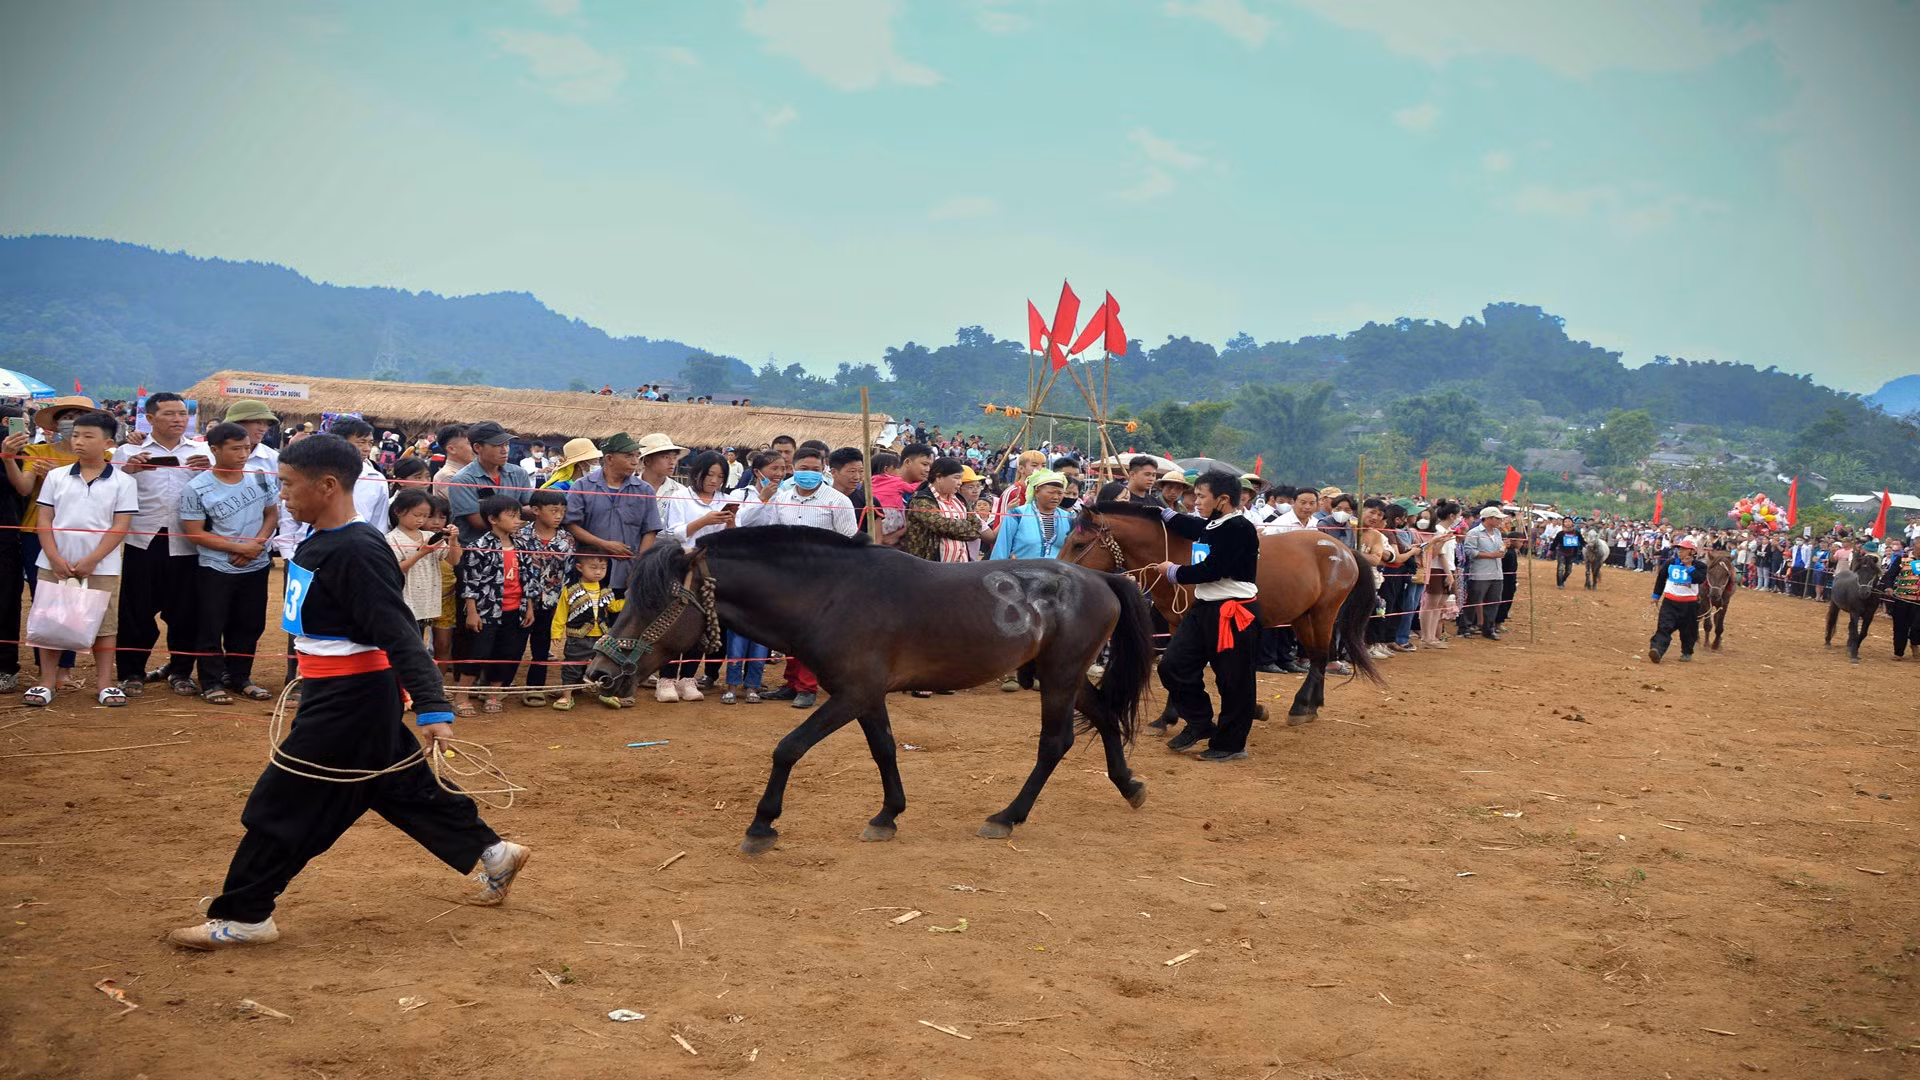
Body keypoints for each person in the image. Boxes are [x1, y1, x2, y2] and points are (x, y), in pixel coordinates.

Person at [169, 433, 529, 950]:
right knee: (394, 785)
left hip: (349, 699)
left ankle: (246, 914)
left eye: (290, 485)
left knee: (283, 801)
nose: (284, 495)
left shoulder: (358, 550)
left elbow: (399, 631)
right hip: (337, 691)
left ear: (329, 485)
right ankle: (494, 853)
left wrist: (431, 706)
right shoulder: (321, 541)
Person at [22, 411, 139, 708]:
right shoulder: (56, 476)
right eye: (75, 435)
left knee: (104, 625)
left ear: (109, 443)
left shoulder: (123, 482)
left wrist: (93, 559)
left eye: (88, 436)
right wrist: (53, 556)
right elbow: (44, 519)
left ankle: (104, 684)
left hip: (103, 565)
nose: (79, 442)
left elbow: (120, 526)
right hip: (53, 563)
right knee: (51, 623)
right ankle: (46, 681)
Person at [1152, 470, 1261, 762]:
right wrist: (1161, 513)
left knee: (1233, 680)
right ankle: (1200, 723)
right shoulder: (1214, 523)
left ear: (1223, 499)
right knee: (1172, 665)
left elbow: (1213, 570)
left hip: (1233, 611)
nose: (1195, 500)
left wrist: (1171, 571)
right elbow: (1194, 527)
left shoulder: (1239, 528)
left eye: (1201, 496)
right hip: (1203, 609)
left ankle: (1231, 744)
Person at [736, 444, 855, 709]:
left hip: (822, 579)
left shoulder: (838, 501)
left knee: (811, 635)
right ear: (794, 469)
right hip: (786, 577)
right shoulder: (782, 497)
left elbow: (848, 543)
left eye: (815, 469)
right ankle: (791, 684)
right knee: (789, 632)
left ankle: (807, 687)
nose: (809, 474)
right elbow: (757, 526)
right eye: (803, 469)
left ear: (824, 469)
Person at [113, 392, 211, 697]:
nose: (178, 419)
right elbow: (109, 488)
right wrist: (128, 469)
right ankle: (131, 672)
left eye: (182, 414)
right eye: (169, 414)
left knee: (186, 611)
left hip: (187, 541)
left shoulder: (203, 451)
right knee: (135, 611)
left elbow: (218, 492)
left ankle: (181, 671)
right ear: (150, 418)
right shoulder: (127, 452)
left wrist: (210, 470)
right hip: (142, 540)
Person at [178, 422, 280, 704]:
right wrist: (239, 548)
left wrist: (255, 545)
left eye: (246, 448)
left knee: (250, 624)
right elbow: (195, 532)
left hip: (255, 564)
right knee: (211, 624)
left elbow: (271, 514)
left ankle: (240, 677)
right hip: (215, 567)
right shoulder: (197, 488)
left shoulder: (260, 478)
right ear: (214, 449)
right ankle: (210, 681)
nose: (243, 454)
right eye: (236, 448)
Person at [656, 449, 738, 702]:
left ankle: (688, 679)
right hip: (682, 568)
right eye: (709, 474)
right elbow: (672, 534)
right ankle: (665, 679)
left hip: (712, 571)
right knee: (674, 623)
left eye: (720, 475)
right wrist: (704, 521)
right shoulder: (681, 497)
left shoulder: (726, 499)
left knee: (701, 625)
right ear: (697, 473)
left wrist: (729, 522)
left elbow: (734, 539)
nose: (714, 480)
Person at [564, 432, 662, 605]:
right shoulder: (582, 486)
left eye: (636, 456)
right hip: (588, 573)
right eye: (628, 456)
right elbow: (571, 524)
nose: (634, 461)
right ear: (609, 459)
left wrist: (639, 567)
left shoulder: (644, 490)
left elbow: (650, 530)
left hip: (627, 573)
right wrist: (605, 545)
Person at [515, 489, 573, 707]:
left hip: (552, 602)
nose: (559, 515)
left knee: (541, 645)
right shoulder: (520, 537)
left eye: (562, 511)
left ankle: (535, 687)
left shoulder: (567, 539)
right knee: (515, 644)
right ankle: (499, 684)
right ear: (536, 511)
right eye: (554, 510)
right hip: (522, 601)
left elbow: (568, 573)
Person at [550, 554, 625, 711]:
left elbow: (613, 607)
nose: (598, 572)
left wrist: (628, 600)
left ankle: (607, 692)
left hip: (603, 636)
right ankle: (567, 696)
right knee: (572, 665)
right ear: (579, 568)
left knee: (607, 665)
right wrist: (556, 632)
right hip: (578, 637)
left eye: (603, 568)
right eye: (593, 568)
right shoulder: (570, 590)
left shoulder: (606, 590)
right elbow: (561, 613)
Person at [386, 487, 459, 640]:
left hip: (426, 600)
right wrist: (421, 553)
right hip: (405, 601)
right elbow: (395, 569)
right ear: (398, 511)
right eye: (416, 515)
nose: (420, 520)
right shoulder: (391, 539)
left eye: (425, 516)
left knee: (421, 641)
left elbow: (453, 560)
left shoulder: (430, 536)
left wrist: (453, 540)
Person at [901, 457, 981, 563]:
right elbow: (941, 526)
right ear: (939, 477)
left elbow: (977, 527)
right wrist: (966, 526)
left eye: (960, 478)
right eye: (956, 478)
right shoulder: (921, 500)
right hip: (929, 566)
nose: (960, 482)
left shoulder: (960, 500)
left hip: (960, 565)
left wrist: (958, 527)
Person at [1647, 537, 1707, 664]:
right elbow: (1661, 579)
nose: (1680, 551)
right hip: (1670, 602)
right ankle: (1657, 650)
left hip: (1690, 605)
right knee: (1664, 627)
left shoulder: (1700, 566)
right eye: (1679, 549)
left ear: (1692, 552)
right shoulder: (1670, 563)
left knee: (1688, 630)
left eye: (1683, 549)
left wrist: (1689, 567)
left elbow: (1699, 579)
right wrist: (1656, 596)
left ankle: (1686, 652)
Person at [328, 418, 391, 536]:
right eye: (361, 443)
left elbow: (379, 524)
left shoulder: (376, 479)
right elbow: (291, 521)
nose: (367, 448)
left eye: (370, 443)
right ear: (340, 442)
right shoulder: (314, 473)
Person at [1463, 506, 1508, 641]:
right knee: (1473, 600)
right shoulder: (1474, 532)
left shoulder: (1498, 533)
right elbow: (1470, 551)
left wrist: (1502, 551)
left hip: (1496, 572)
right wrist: (1491, 555)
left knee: (1493, 602)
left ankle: (1489, 629)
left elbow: (1499, 550)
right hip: (1480, 572)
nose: (1500, 520)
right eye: (1497, 518)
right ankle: (1465, 627)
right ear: (1488, 518)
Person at [1096, 456, 1163, 506]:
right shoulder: (1118, 499)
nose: (1151, 479)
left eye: (1154, 475)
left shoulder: (1156, 503)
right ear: (1132, 474)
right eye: (1147, 474)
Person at [430, 424, 472, 498]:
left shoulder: (473, 470)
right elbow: (469, 506)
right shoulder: (447, 476)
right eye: (469, 443)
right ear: (451, 449)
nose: (477, 447)